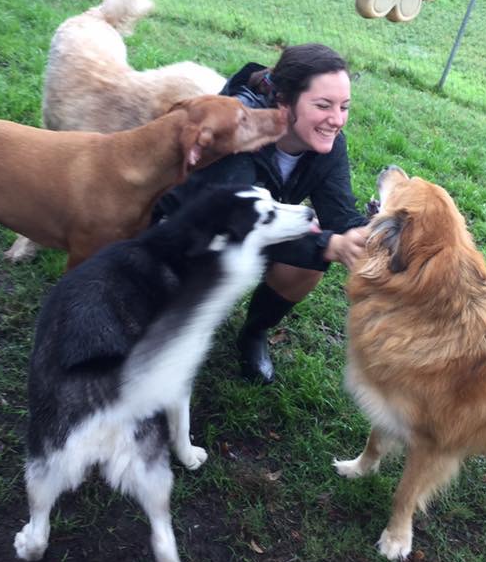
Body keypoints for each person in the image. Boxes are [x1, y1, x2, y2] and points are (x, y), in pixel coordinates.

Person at [154, 43, 369, 383]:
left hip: (245, 234)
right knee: (319, 243)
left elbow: (340, 214)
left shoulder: (329, 146)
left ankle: (254, 332)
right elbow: (236, 222)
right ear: (284, 101)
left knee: (311, 257)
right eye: (324, 105)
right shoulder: (238, 127)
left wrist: (365, 233)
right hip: (187, 238)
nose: (337, 120)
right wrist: (330, 245)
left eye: (344, 107)